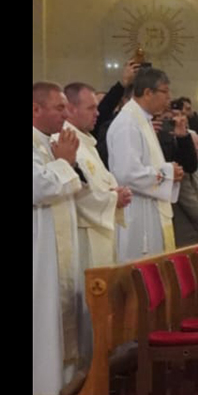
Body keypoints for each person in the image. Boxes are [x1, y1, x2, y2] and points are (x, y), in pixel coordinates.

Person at [33, 82, 86, 395]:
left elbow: (70, 185)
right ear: (35, 109)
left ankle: (59, 391)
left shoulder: (47, 144)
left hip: (55, 251)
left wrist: (67, 162)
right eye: (59, 108)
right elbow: (39, 187)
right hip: (39, 254)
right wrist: (65, 161)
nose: (66, 115)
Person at [106, 67, 183, 260]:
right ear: (148, 92)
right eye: (165, 92)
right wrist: (168, 173)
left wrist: (170, 173)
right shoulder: (127, 123)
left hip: (148, 210)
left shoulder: (142, 120)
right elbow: (127, 173)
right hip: (137, 215)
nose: (169, 98)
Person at [59, 82, 134, 269]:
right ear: (71, 109)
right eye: (91, 108)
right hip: (82, 235)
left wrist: (117, 191)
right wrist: (113, 199)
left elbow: (102, 178)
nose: (97, 113)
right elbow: (73, 190)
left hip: (99, 230)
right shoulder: (63, 141)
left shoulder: (85, 141)